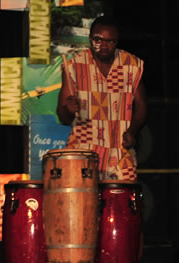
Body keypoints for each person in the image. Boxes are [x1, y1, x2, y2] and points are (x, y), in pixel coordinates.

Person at [57, 16, 147, 180]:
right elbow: (63, 118)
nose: (104, 46)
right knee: (83, 197)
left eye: (110, 41)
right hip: (83, 153)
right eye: (98, 40)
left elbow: (141, 104)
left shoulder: (131, 65)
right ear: (90, 38)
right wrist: (68, 109)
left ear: (117, 41)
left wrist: (132, 131)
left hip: (120, 153)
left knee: (125, 196)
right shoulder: (74, 66)